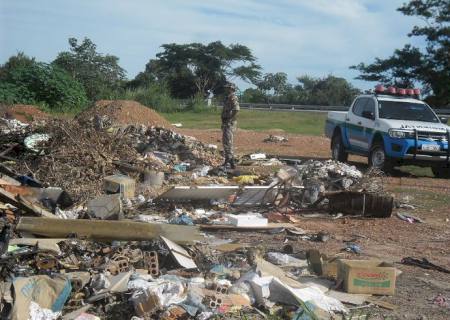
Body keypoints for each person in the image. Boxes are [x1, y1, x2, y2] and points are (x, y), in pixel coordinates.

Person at [221, 82, 240, 168]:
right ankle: (229, 160)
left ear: (231, 89)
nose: (226, 89)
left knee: (228, 141)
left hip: (229, 122)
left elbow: (236, 109)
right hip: (226, 122)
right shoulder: (227, 97)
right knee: (225, 141)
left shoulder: (233, 97)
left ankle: (230, 161)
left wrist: (230, 119)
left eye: (228, 88)